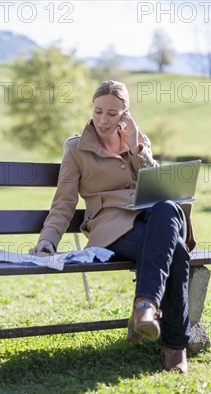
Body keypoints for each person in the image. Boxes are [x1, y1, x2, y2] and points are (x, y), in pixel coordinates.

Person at [32, 80, 196, 374]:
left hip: (152, 220)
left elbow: (161, 187)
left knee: (168, 208)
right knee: (178, 253)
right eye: (98, 111)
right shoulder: (75, 149)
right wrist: (48, 241)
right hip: (111, 229)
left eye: (112, 113)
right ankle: (174, 348)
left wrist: (137, 148)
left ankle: (145, 306)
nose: (103, 120)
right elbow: (64, 203)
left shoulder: (138, 141)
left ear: (125, 114)